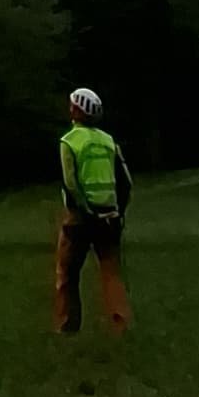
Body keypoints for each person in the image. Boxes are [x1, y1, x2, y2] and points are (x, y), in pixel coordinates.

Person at [53, 85, 132, 336]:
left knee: (67, 272)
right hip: (110, 215)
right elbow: (126, 181)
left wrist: (84, 209)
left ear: (77, 110)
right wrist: (119, 211)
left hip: (80, 217)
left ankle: (68, 326)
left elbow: (70, 181)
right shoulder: (109, 141)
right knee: (111, 272)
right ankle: (120, 323)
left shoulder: (69, 141)